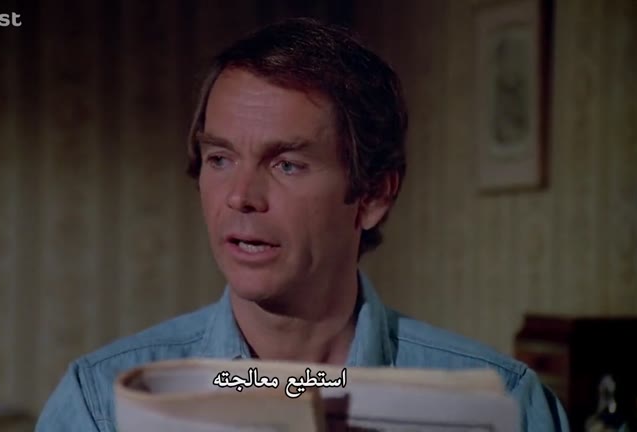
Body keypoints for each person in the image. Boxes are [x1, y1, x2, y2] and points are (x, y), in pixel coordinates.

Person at [35, 17, 570, 431]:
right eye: (220, 158)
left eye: (286, 164)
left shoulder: (506, 404)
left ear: (374, 195)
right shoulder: (101, 402)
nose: (240, 196)